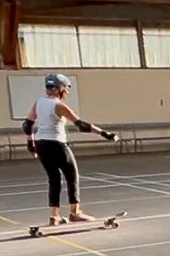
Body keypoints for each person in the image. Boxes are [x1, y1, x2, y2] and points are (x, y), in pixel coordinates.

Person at [21, 72, 117, 225]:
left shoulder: (38, 102)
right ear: (60, 88)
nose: (67, 92)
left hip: (41, 144)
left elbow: (27, 125)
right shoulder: (59, 105)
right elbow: (82, 125)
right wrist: (105, 134)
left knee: (54, 178)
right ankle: (75, 212)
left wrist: (31, 145)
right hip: (56, 144)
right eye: (66, 89)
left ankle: (54, 216)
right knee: (72, 176)